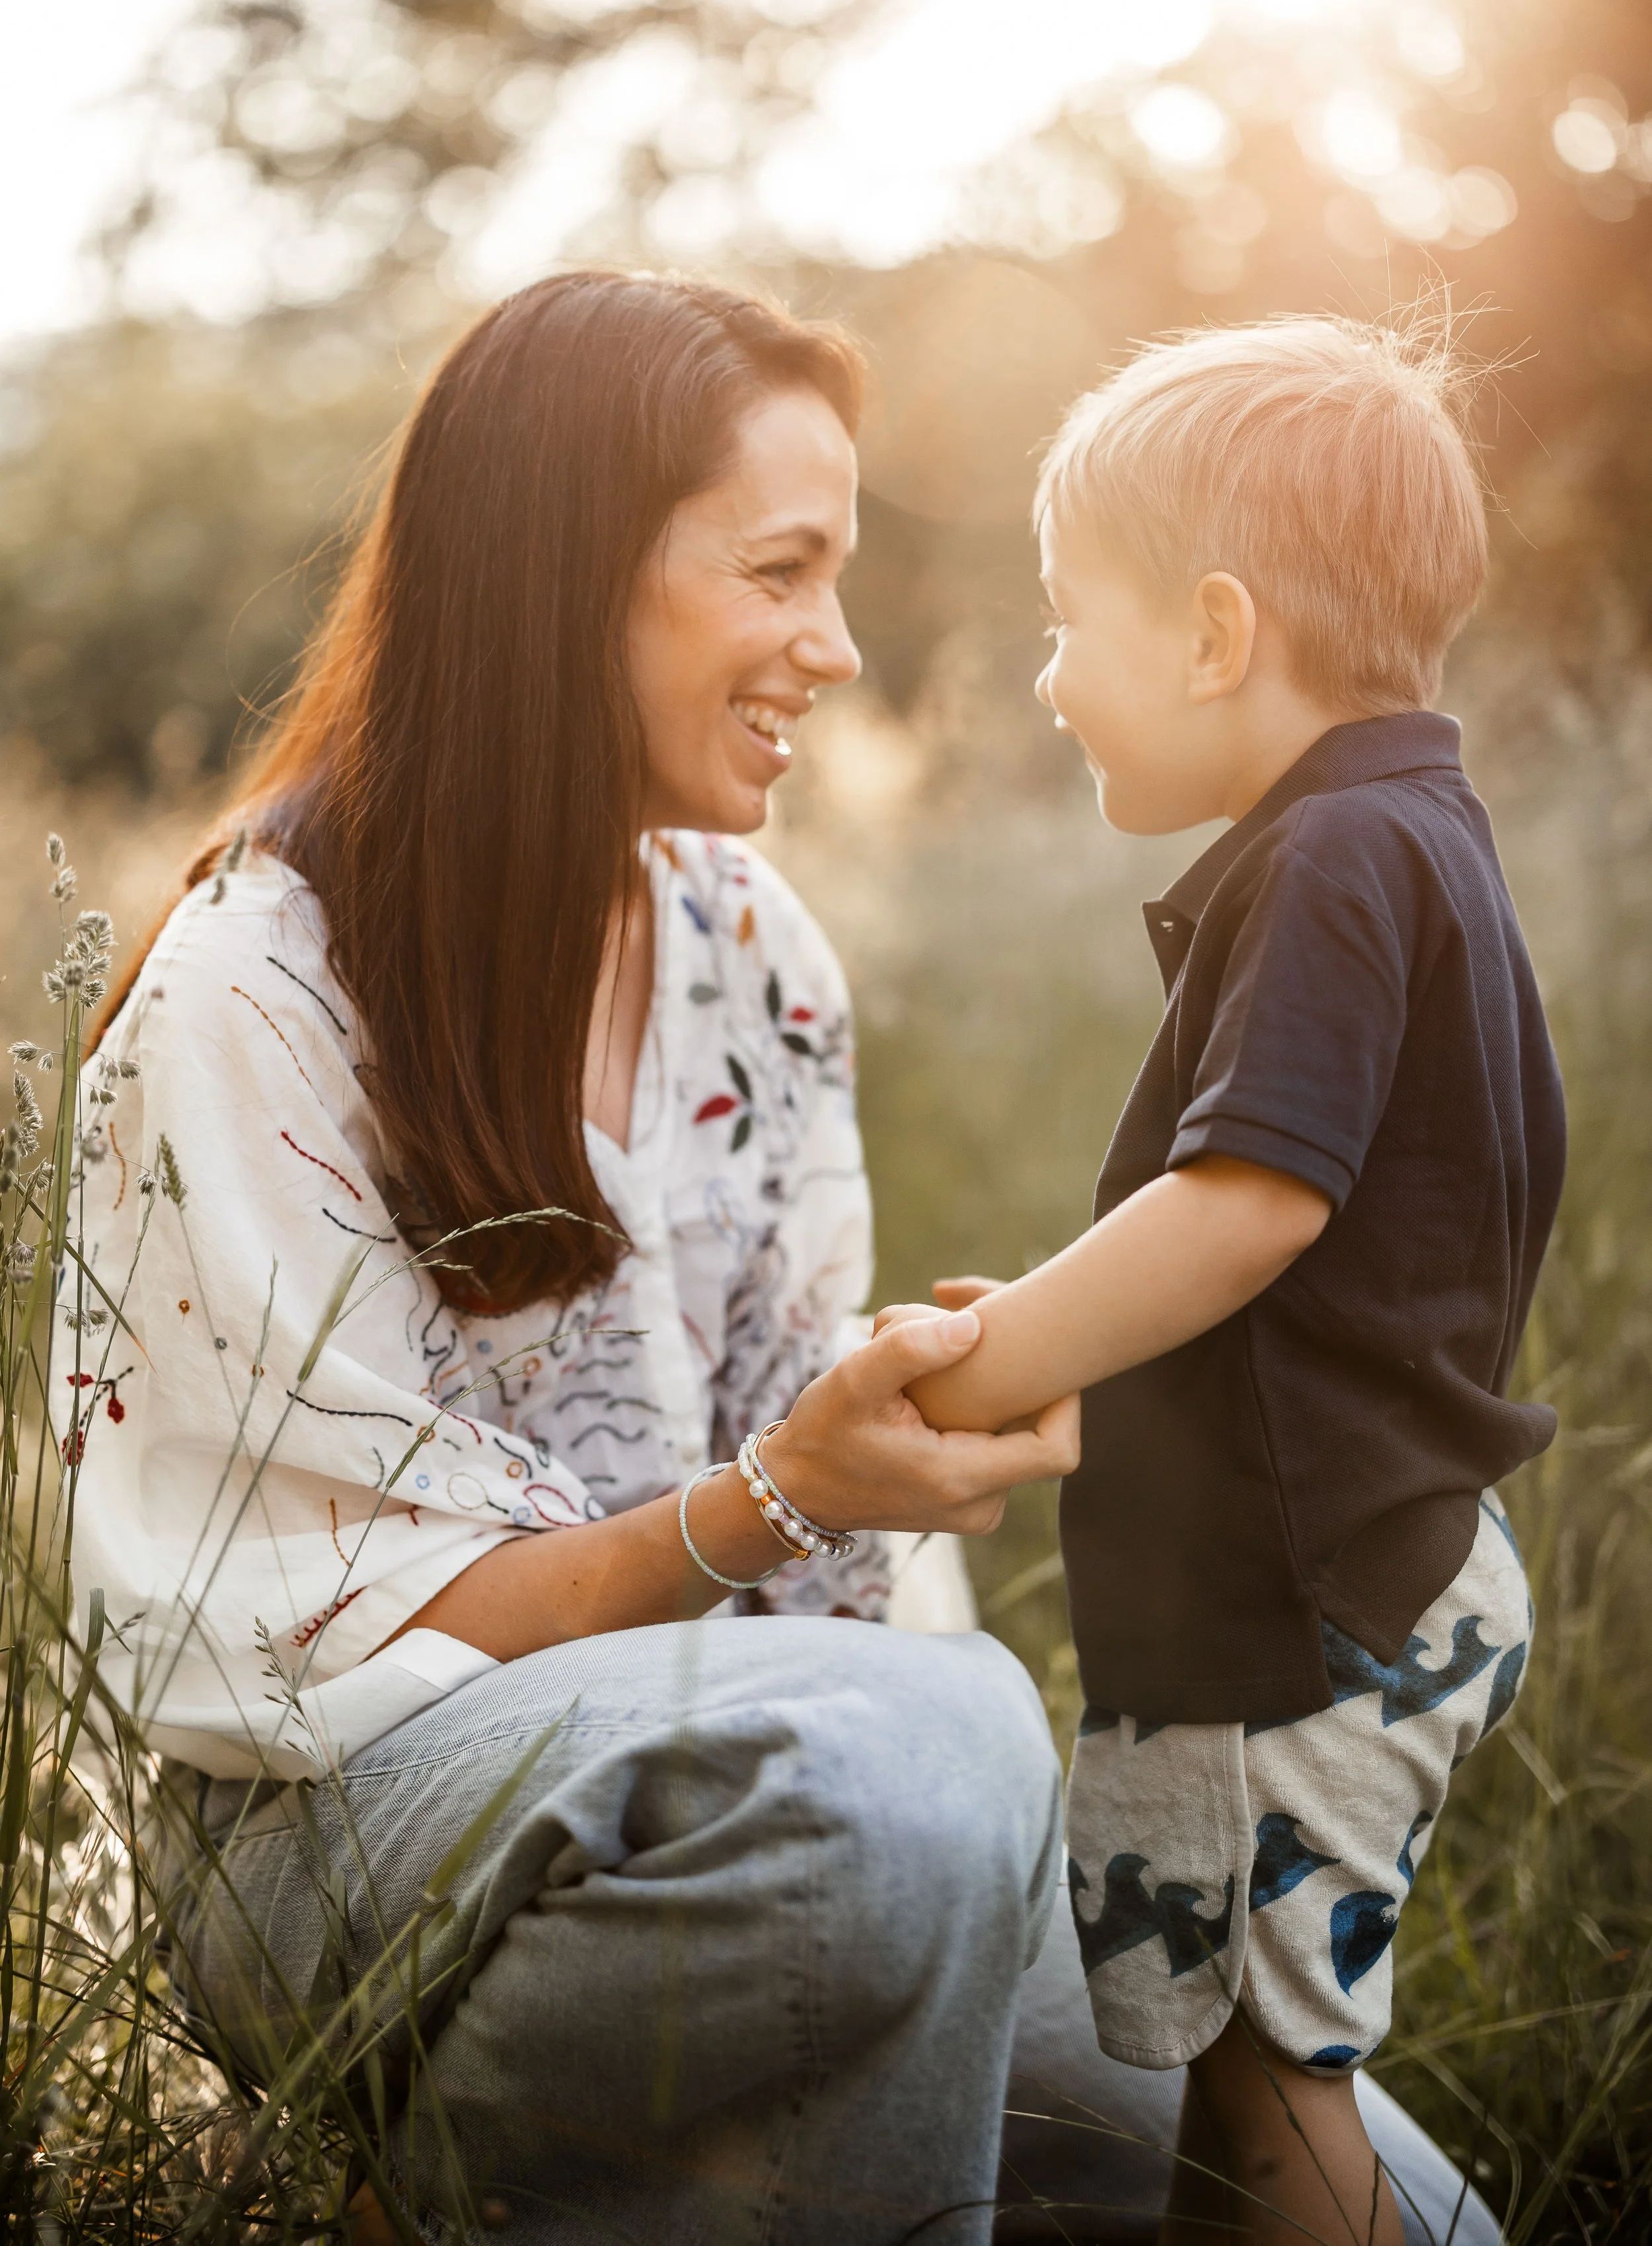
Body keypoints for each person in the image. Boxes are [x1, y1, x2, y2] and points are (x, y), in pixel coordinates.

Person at [61, 271, 1081, 2245]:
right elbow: (333, 1640)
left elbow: (829, 1537)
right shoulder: (250, 1000)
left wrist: (888, 1429)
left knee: (1299, 2143)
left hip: (762, 1774)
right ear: (562, 575)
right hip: (327, 1822)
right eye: (779, 570)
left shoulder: (749, 946)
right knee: (930, 1783)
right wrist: (782, 1497)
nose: (837, 647)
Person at [887, 317, 1564, 2245]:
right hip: (1363, 1566)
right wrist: (1054, 1325)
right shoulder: (1412, 830)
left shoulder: (1336, 853)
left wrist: (985, 1359)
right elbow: (1308, 1281)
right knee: (1239, 2081)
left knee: (1269, 2091)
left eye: (1062, 618)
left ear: (1209, 632)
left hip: (1297, 1630)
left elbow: (1247, 1205)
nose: (1044, 676)